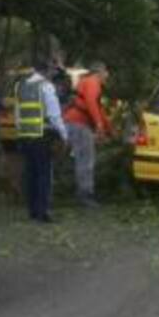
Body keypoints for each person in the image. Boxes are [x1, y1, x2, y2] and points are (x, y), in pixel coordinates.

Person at [15, 57, 70, 223]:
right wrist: (64, 134)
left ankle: (32, 210)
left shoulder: (20, 86)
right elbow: (54, 115)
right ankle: (43, 211)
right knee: (44, 174)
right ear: (45, 71)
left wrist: (20, 132)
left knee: (31, 173)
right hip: (42, 135)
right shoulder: (45, 87)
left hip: (25, 136)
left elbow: (18, 113)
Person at [63, 60, 114, 209]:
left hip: (73, 122)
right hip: (79, 125)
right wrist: (99, 126)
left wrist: (109, 130)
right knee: (86, 160)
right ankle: (85, 195)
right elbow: (91, 103)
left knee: (81, 159)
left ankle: (83, 192)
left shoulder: (87, 82)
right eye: (106, 72)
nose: (107, 75)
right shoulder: (93, 82)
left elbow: (99, 110)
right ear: (99, 72)